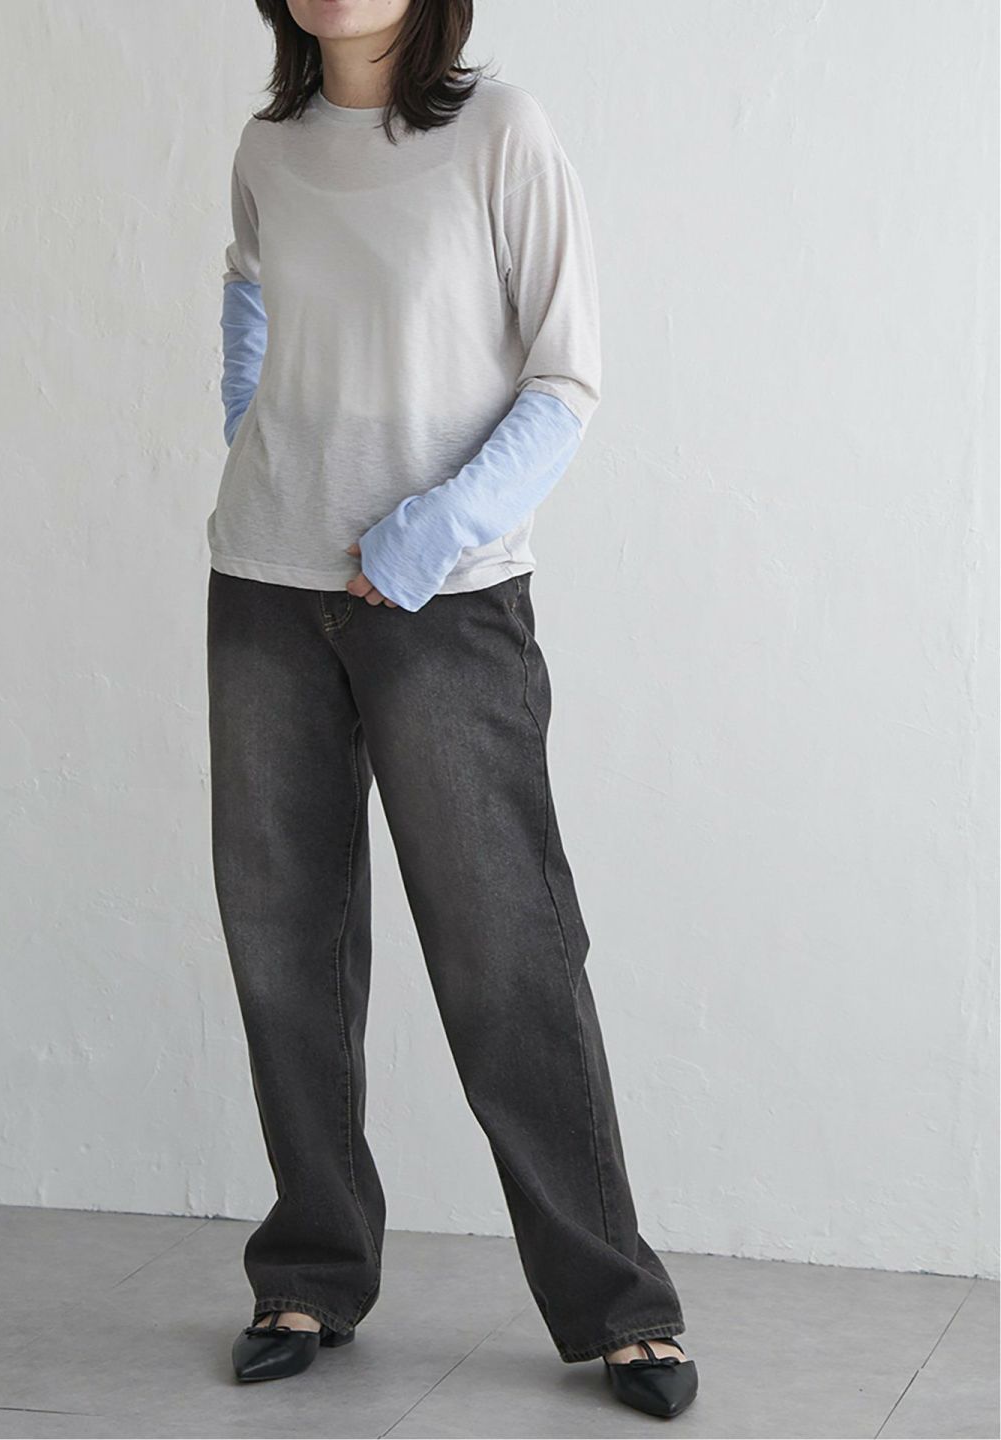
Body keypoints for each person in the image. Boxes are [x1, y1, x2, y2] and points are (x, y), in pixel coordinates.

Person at [208, 0, 698, 1420]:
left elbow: (567, 374)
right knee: (285, 947)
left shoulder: (501, 135)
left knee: (506, 951)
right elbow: (247, 295)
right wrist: (257, 443)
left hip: (446, 602)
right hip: (265, 586)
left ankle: (619, 1304)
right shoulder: (270, 147)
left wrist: (427, 534)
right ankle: (310, 1271)